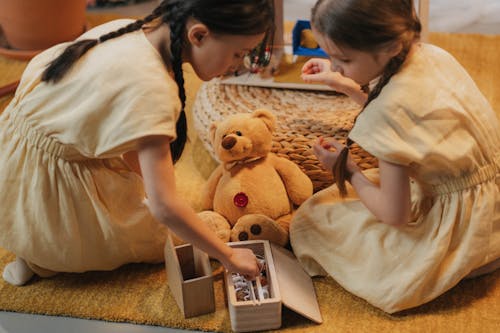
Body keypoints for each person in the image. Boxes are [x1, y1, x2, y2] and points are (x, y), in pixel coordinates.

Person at [0, 0, 274, 286]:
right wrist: (229, 256)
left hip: (12, 148)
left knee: (148, 204)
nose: (237, 65)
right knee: (152, 239)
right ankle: (37, 254)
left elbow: (123, 123)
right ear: (199, 35)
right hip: (42, 179)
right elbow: (165, 207)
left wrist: (155, 187)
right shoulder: (153, 90)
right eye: (237, 54)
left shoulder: (129, 29)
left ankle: (31, 243)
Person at [290, 0, 500, 313]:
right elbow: (409, 118)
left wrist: (349, 172)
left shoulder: (388, 114)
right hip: (491, 198)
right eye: (328, 54)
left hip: (465, 232)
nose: (333, 67)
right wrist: (346, 83)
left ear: (390, 46)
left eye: (342, 59)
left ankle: (467, 262)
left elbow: (394, 215)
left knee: (312, 220)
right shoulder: (433, 55)